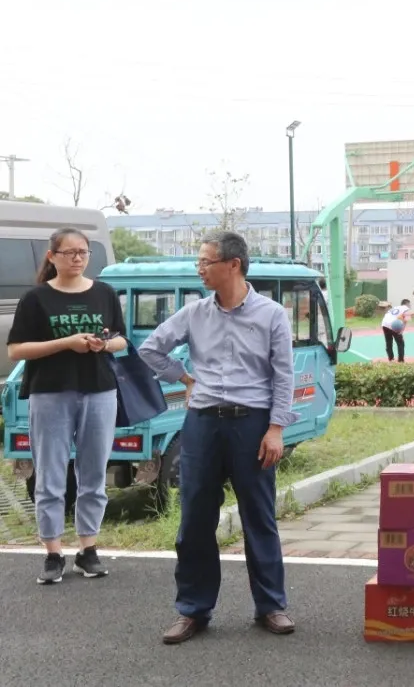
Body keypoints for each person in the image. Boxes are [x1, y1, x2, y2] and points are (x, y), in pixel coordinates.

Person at [139, 230, 299, 645]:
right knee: (194, 517)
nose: (200, 269)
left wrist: (277, 428)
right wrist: (184, 378)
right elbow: (151, 350)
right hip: (203, 424)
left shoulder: (271, 314)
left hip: (253, 424)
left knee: (259, 516)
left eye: (206, 261)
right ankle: (192, 609)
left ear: (234, 264)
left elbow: (283, 373)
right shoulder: (194, 314)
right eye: (199, 262)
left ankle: (271, 606)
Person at [5, 227, 127, 584]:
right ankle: (53, 553)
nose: (77, 258)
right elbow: (17, 350)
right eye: (69, 252)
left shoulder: (104, 293)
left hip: (99, 391)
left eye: (83, 252)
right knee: (50, 474)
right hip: (50, 393)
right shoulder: (36, 299)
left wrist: (102, 346)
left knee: (93, 474)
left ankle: (88, 549)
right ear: (52, 257)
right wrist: (66, 343)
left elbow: (120, 339)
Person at [382, 298, 411, 362]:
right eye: (410, 304)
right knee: (400, 343)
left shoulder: (396, 307)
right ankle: (401, 360)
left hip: (384, 323)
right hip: (394, 324)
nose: (410, 306)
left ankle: (391, 359)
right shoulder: (406, 309)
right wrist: (402, 331)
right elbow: (406, 320)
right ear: (407, 304)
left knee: (388, 342)